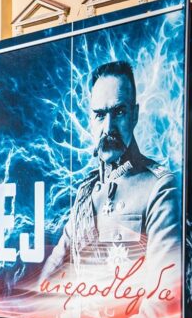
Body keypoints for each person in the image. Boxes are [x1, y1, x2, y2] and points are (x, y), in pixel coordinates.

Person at [41, 60, 180, 279]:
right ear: (91, 119)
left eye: (119, 112)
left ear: (134, 115)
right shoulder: (86, 192)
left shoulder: (159, 187)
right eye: (100, 115)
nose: (108, 127)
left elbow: (165, 288)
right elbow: (54, 266)